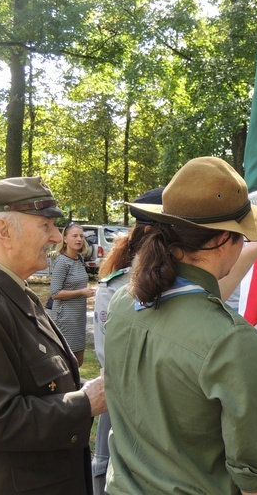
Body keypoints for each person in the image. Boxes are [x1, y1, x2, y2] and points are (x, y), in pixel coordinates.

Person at [103, 157, 257, 494]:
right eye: (242, 236)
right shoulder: (232, 341)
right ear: (224, 239)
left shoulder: (123, 301)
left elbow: (197, 303)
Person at [0, 176, 106, 494]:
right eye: (45, 226)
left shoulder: (19, 291)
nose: (56, 236)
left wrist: (83, 388)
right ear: (4, 232)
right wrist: (84, 402)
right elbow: (1, 419)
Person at [90, 187, 163, 495]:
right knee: (107, 472)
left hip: (163, 421)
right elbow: (111, 358)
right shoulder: (117, 286)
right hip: (124, 412)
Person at [50, 222, 96, 367]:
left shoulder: (80, 259)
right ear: (65, 239)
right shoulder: (62, 261)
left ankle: (75, 386)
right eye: (74, 236)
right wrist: (81, 292)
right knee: (67, 361)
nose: (79, 239)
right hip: (64, 317)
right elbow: (55, 293)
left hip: (78, 316)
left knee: (79, 360)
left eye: (81, 236)